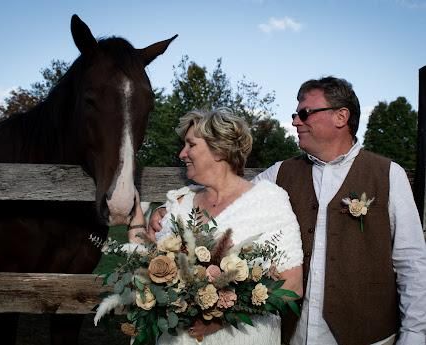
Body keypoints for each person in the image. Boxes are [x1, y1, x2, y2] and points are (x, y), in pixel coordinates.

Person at [149, 77, 426, 345]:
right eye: (295, 114)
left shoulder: (388, 174)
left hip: (367, 336)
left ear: (341, 117)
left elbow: (411, 262)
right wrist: (168, 208)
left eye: (304, 113)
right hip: (295, 333)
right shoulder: (280, 172)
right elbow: (228, 195)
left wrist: (415, 335)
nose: (295, 120)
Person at [128, 108, 304, 345]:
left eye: (191, 145)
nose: (182, 154)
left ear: (219, 149)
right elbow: (147, 267)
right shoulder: (178, 204)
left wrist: (219, 320)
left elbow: (292, 287)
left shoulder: (268, 201)